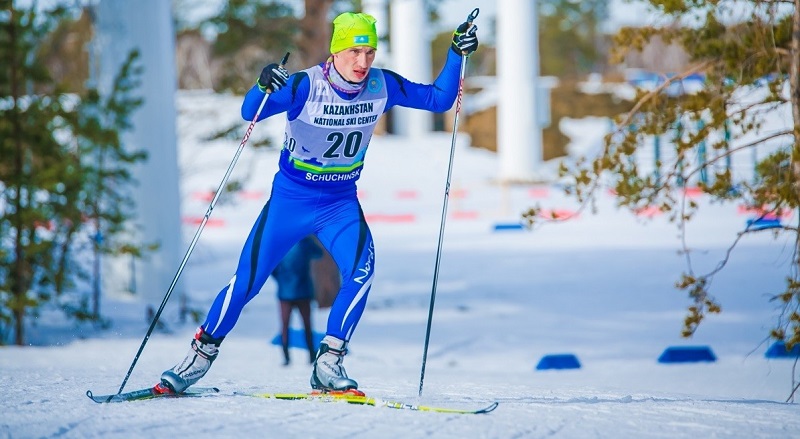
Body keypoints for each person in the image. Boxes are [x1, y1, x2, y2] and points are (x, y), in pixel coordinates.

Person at [160, 11, 479, 395]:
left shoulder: (382, 83)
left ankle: (329, 363)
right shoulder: (304, 85)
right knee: (247, 281)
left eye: (370, 53)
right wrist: (262, 85)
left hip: (339, 203)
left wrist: (456, 52)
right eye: (354, 52)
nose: (363, 63)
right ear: (336, 50)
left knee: (362, 271)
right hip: (291, 200)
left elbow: (439, 99)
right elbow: (250, 112)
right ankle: (200, 354)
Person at [272, 235, 323, 366]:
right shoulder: (305, 242)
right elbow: (319, 253)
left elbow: (272, 268)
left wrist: (281, 280)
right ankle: (311, 355)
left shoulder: (280, 244)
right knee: (307, 325)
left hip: (284, 291)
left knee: (284, 325)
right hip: (303, 290)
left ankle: (286, 357)